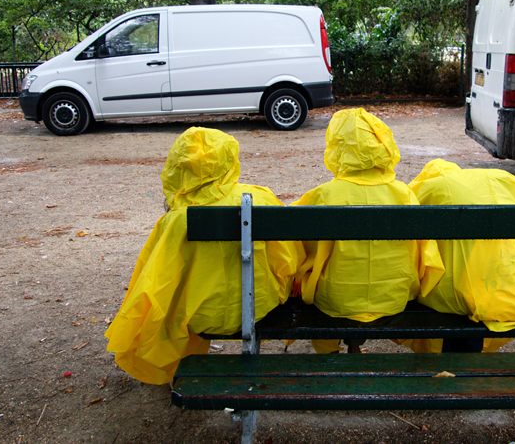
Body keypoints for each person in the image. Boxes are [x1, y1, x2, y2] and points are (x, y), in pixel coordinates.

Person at [104, 127, 302, 384]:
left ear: (177, 167)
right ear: (229, 160)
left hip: (199, 314)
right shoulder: (260, 199)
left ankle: (179, 367)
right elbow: (289, 259)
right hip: (260, 305)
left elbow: (156, 281)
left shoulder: (175, 220)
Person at [292, 108, 445, 354]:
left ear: (336, 147)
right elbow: (425, 253)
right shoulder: (404, 193)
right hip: (394, 297)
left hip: (336, 297)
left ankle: (329, 352)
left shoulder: (323, 195)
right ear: (383, 144)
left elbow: (302, 251)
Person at [408, 159, 515, 353]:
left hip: (447, 297)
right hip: (509, 288)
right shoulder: (501, 179)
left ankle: (450, 361)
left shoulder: (424, 188)